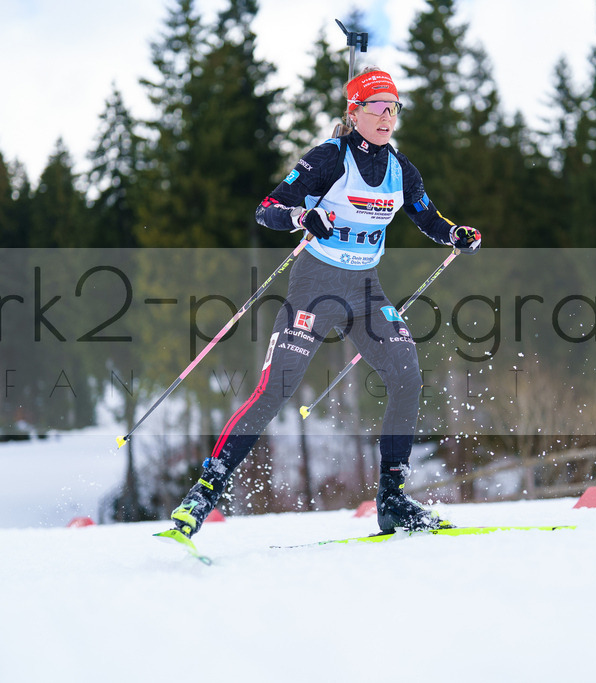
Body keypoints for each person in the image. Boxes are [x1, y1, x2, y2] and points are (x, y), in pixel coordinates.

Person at [170, 67, 481, 539]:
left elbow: (427, 216)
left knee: (407, 378)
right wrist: (302, 216)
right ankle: (204, 494)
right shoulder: (330, 158)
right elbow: (268, 209)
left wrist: (454, 233)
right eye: (376, 106)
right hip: (315, 285)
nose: (386, 116)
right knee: (275, 391)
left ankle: (392, 500)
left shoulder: (401, 169)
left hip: (365, 290)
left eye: (393, 107)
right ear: (354, 112)